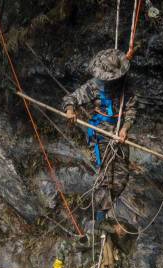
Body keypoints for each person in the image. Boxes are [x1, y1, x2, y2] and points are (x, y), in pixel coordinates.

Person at [62, 48, 137, 221]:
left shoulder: (127, 86)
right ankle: (100, 220)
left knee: (121, 178)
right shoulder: (94, 86)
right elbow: (70, 99)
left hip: (118, 135)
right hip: (100, 134)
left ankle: (104, 210)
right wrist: (70, 110)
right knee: (105, 177)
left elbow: (131, 110)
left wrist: (125, 129)